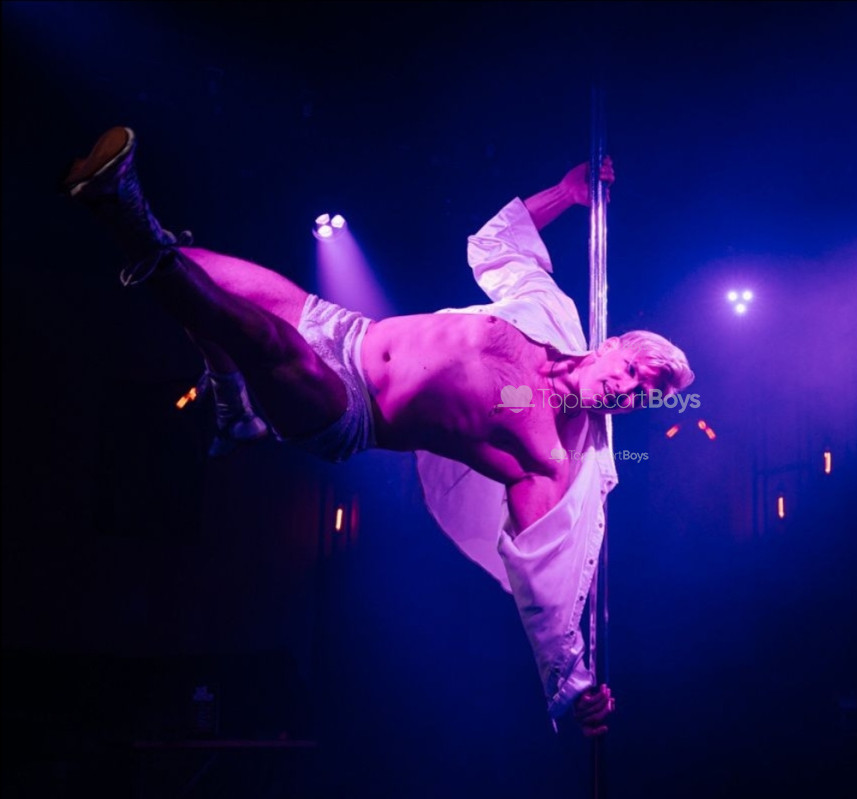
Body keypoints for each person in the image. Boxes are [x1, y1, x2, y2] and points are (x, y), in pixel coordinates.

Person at [62, 126, 695, 737]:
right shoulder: (549, 312)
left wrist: (574, 685)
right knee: (193, 268)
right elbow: (499, 245)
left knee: (261, 338)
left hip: (348, 409)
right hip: (344, 329)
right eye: (631, 372)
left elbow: (547, 589)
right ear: (611, 345)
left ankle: (124, 211)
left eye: (640, 397)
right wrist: (567, 193)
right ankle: (230, 398)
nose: (625, 391)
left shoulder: (546, 456)